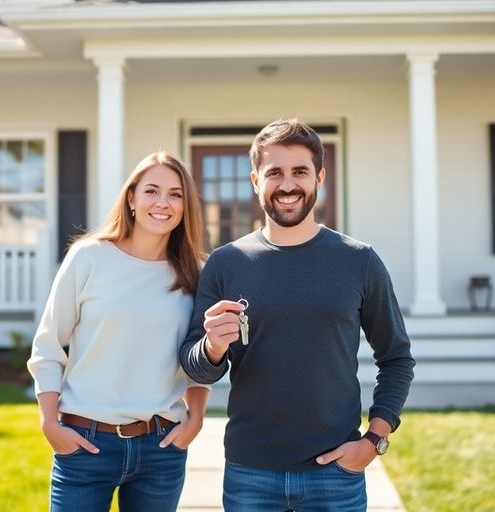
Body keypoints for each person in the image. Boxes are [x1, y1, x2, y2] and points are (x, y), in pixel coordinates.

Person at [180, 119, 416, 511]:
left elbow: (396, 358)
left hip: (336, 474)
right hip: (249, 472)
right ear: (255, 180)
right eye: (274, 173)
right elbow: (197, 369)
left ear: (319, 177)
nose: (287, 185)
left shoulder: (359, 261)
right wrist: (213, 346)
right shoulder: (225, 264)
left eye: (300, 172)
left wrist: (374, 440)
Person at [28, 151, 210, 512]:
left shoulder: (198, 272)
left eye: (175, 194)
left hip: (161, 448)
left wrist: (196, 421)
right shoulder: (88, 258)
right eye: (152, 191)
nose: (163, 203)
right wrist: (50, 423)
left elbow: (200, 361)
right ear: (131, 198)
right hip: (85, 444)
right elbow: (47, 347)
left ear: (186, 205)